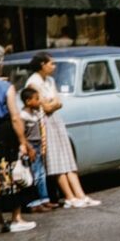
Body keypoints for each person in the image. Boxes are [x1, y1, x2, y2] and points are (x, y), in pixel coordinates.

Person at [26, 52, 100, 208]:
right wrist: (51, 103)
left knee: (67, 157)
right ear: (42, 65)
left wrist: (52, 103)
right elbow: (44, 106)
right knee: (56, 160)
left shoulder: (50, 80)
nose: (54, 66)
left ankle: (81, 195)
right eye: (51, 63)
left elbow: (58, 102)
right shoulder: (33, 82)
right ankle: (69, 196)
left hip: (56, 120)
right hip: (44, 122)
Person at [0, 46, 37, 232]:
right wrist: (22, 142)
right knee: (12, 173)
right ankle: (16, 217)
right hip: (4, 130)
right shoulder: (6, 87)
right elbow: (15, 116)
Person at [20, 87, 56, 213]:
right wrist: (28, 148)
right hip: (31, 147)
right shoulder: (23, 115)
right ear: (28, 101)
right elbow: (22, 134)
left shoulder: (35, 114)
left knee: (41, 174)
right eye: (36, 99)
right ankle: (35, 202)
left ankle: (44, 199)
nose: (39, 101)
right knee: (33, 175)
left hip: (38, 145)